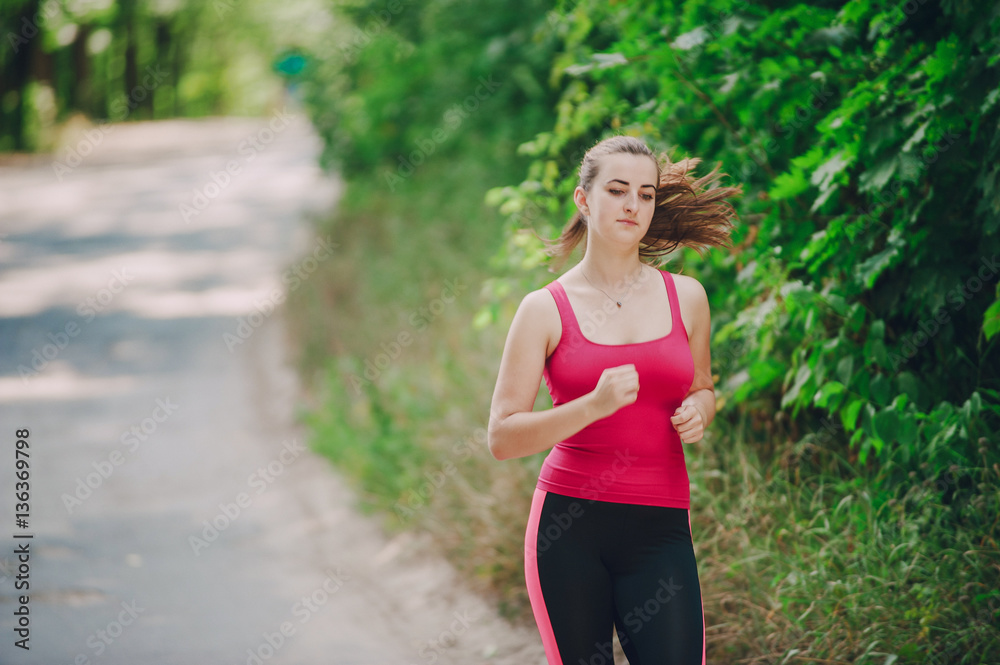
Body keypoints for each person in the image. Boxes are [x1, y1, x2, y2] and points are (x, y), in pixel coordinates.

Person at [487, 134, 741, 664]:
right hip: (569, 532)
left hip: (660, 529)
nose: (633, 205)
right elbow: (503, 437)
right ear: (584, 199)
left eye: (646, 195)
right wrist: (592, 406)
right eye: (618, 190)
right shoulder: (544, 309)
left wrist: (701, 410)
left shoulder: (687, 297)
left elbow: (703, 386)